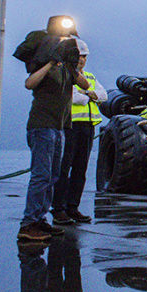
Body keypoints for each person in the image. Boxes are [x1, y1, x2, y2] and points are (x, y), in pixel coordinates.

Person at [16, 16, 90, 242]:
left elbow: (85, 85)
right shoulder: (45, 66)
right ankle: (28, 224)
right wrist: (50, 62)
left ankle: (40, 220)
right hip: (42, 126)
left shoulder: (67, 70)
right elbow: (29, 83)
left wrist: (72, 64)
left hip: (60, 128)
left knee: (53, 176)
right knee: (41, 176)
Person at [51, 38, 107, 225]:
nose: (82, 59)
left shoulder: (89, 77)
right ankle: (58, 208)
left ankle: (72, 207)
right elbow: (73, 97)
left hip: (88, 128)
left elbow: (103, 95)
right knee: (64, 168)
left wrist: (88, 94)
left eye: (84, 56)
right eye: (79, 56)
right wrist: (88, 95)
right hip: (70, 126)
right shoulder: (64, 74)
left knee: (80, 170)